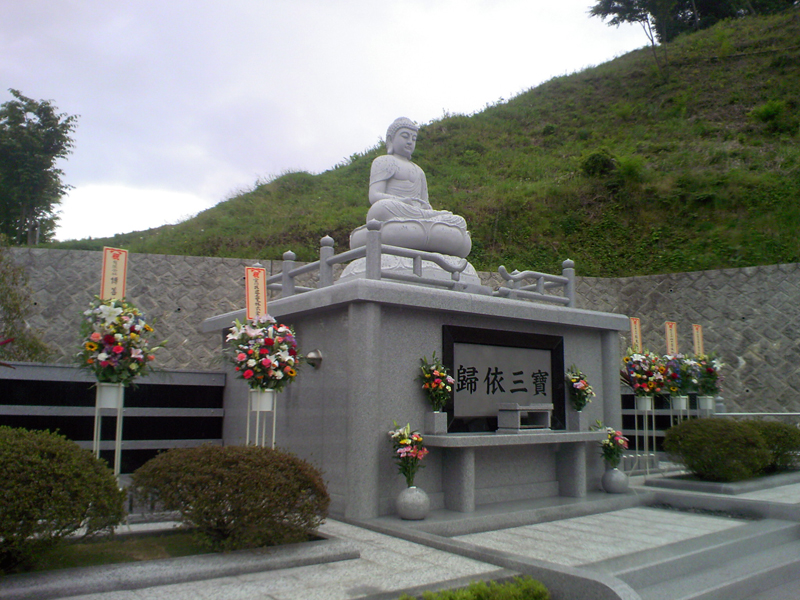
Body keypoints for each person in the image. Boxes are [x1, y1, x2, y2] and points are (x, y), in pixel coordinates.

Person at [367, 117, 467, 231]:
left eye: (413, 139)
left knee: (458, 221)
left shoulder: (419, 171)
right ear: (391, 139)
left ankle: (423, 224)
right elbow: (374, 195)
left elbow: (426, 204)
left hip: (417, 213)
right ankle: (424, 226)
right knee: (380, 208)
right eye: (405, 136)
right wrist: (401, 201)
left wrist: (427, 210)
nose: (410, 141)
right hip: (394, 208)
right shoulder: (384, 161)